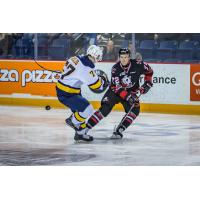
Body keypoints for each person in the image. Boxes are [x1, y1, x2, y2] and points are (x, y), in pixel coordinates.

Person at [84, 48, 154, 139]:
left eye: (125, 57)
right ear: (119, 57)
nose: (123, 59)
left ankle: (119, 130)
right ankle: (85, 129)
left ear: (129, 57)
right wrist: (128, 96)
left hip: (130, 92)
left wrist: (147, 84)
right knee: (104, 109)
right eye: (121, 57)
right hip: (115, 92)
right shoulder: (115, 68)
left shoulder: (139, 64)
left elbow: (149, 72)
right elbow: (116, 87)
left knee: (135, 110)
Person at [56, 45, 108, 142]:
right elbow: (97, 86)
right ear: (97, 56)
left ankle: (80, 134)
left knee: (79, 112)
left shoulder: (75, 58)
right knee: (87, 110)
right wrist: (103, 82)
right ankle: (72, 121)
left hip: (65, 90)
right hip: (68, 94)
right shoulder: (86, 69)